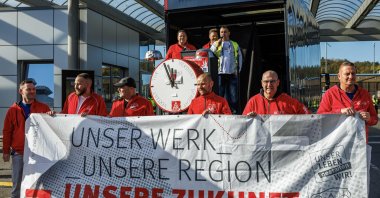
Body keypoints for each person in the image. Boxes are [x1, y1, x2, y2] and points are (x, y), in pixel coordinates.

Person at [3, 80, 51, 198]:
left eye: (33, 89)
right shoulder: (12, 110)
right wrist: (5, 151)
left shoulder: (44, 107)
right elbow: (7, 132)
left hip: (38, 154)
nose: (32, 91)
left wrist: (51, 116)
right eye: (28, 89)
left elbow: (51, 128)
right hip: (19, 153)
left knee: (40, 184)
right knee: (17, 185)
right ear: (21, 91)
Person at [317, 61, 378, 142]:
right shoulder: (330, 94)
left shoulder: (365, 94)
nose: (351, 76)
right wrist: (339, 112)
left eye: (353, 73)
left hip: (360, 146)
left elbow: (375, 119)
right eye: (347, 74)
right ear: (339, 76)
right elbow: (320, 117)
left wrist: (369, 118)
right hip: (337, 145)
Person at [243, 70, 310, 115]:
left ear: (278, 83)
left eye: (272, 81)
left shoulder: (288, 101)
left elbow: (308, 116)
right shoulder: (253, 102)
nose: (269, 85)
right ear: (262, 83)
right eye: (266, 81)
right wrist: (249, 119)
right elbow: (243, 124)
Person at [210, 26, 243, 113]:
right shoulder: (216, 43)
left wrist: (238, 70)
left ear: (229, 33)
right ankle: (219, 112)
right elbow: (210, 52)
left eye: (225, 32)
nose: (223, 34)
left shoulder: (234, 44)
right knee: (219, 95)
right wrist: (217, 44)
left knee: (233, 95)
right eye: (221, 32)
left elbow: (240, 57)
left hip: (232, 73)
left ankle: (234, 113)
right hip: (220, 74)